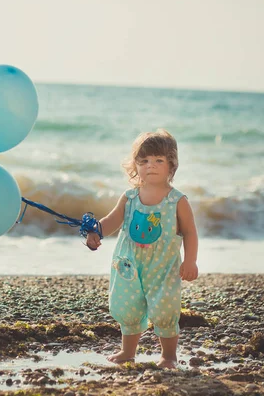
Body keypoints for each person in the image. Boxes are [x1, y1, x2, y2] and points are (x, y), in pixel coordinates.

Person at [86, 128, 199, 369]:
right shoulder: (130, 197)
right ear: (135, 165)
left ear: (171, 165)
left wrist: (190, 261)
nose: (151, 166)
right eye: (144, 161)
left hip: (164, 266)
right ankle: (127, 352)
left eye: (159, 160)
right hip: (128, 264)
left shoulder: (177, 200)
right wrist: (97, 231)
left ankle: (168, 356)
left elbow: (189, 232)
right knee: (128, 306)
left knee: (164, 309)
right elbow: (112, 220)